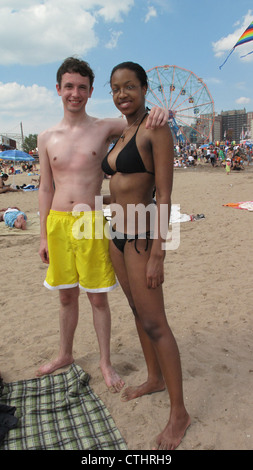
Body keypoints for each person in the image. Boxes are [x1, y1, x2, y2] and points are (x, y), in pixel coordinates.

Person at [37, 57, 169, 392]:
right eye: (69, 86)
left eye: (82, 87)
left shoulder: (104, 127)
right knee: (66, 297)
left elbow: (139, 116)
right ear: (58, 89)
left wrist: (166, 112)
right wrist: (43, 236)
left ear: (91, 91)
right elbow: (45, 187)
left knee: (97, 298)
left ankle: (105, 363)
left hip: (93, 219)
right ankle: (65, 353)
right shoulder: (45, 137)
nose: (75, 93)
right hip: (58, 222)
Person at [102, 61, 190, 450]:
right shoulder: (123, 132)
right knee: (138, 313)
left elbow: (165, 196)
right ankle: (153, 378)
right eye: (116, 89)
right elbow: (121, 184)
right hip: (115, 233)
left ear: (144, 88)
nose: (123, 94)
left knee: (157, 324)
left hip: (141, 236)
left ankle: (179, 414)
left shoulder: (156, 128)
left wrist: (159, 254)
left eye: (130, 87)